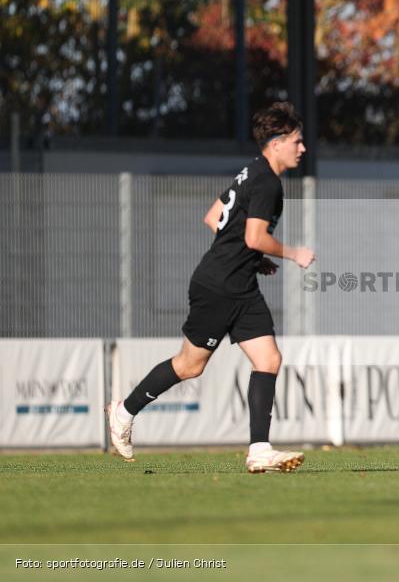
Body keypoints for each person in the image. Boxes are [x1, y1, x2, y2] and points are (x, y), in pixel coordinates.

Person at [106, 102, 315, 473]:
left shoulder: (252, 171)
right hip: (219, 286)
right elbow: (254, 236)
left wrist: (250, 258)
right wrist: (291, 253)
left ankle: (259, 450)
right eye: (297, 141)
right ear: (277, 143)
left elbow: (213, 216)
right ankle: (124, 411)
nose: (303, 148)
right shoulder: (267, 181)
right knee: (189, 366)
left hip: (240, 285)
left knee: (268, 360)